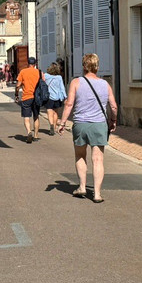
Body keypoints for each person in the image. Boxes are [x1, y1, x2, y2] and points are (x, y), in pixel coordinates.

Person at [58, 53, 118, 203]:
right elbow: (114, 106)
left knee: (80, 156)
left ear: (84, 66)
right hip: (99, 125)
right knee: (98, 159)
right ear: (97, 66)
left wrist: (63, 122)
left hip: (81, 124)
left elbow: (69, 104)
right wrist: (113, 120)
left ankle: (82, 187)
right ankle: (97, 194)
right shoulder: (105, 84)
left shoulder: (76, 82)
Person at [15, 57, 43, 142]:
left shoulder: (23, 72)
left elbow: (18, 85)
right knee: (36, 116)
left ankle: (29, 132)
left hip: (26, 97)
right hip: (36, 97)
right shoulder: (39, 72)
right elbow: (43, 84)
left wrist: (16, 94)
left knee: (26, 117)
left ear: (28, 63)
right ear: (35, 64)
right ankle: (36, 136)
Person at [42, 62, 67, 135]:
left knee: (49, 112)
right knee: (55, 113)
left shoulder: (46, 76)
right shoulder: (59, 78)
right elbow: (62, 88)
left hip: (49, 97)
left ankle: (51, 125)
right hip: (57, 97)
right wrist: (65, 97)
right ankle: (55, 127)